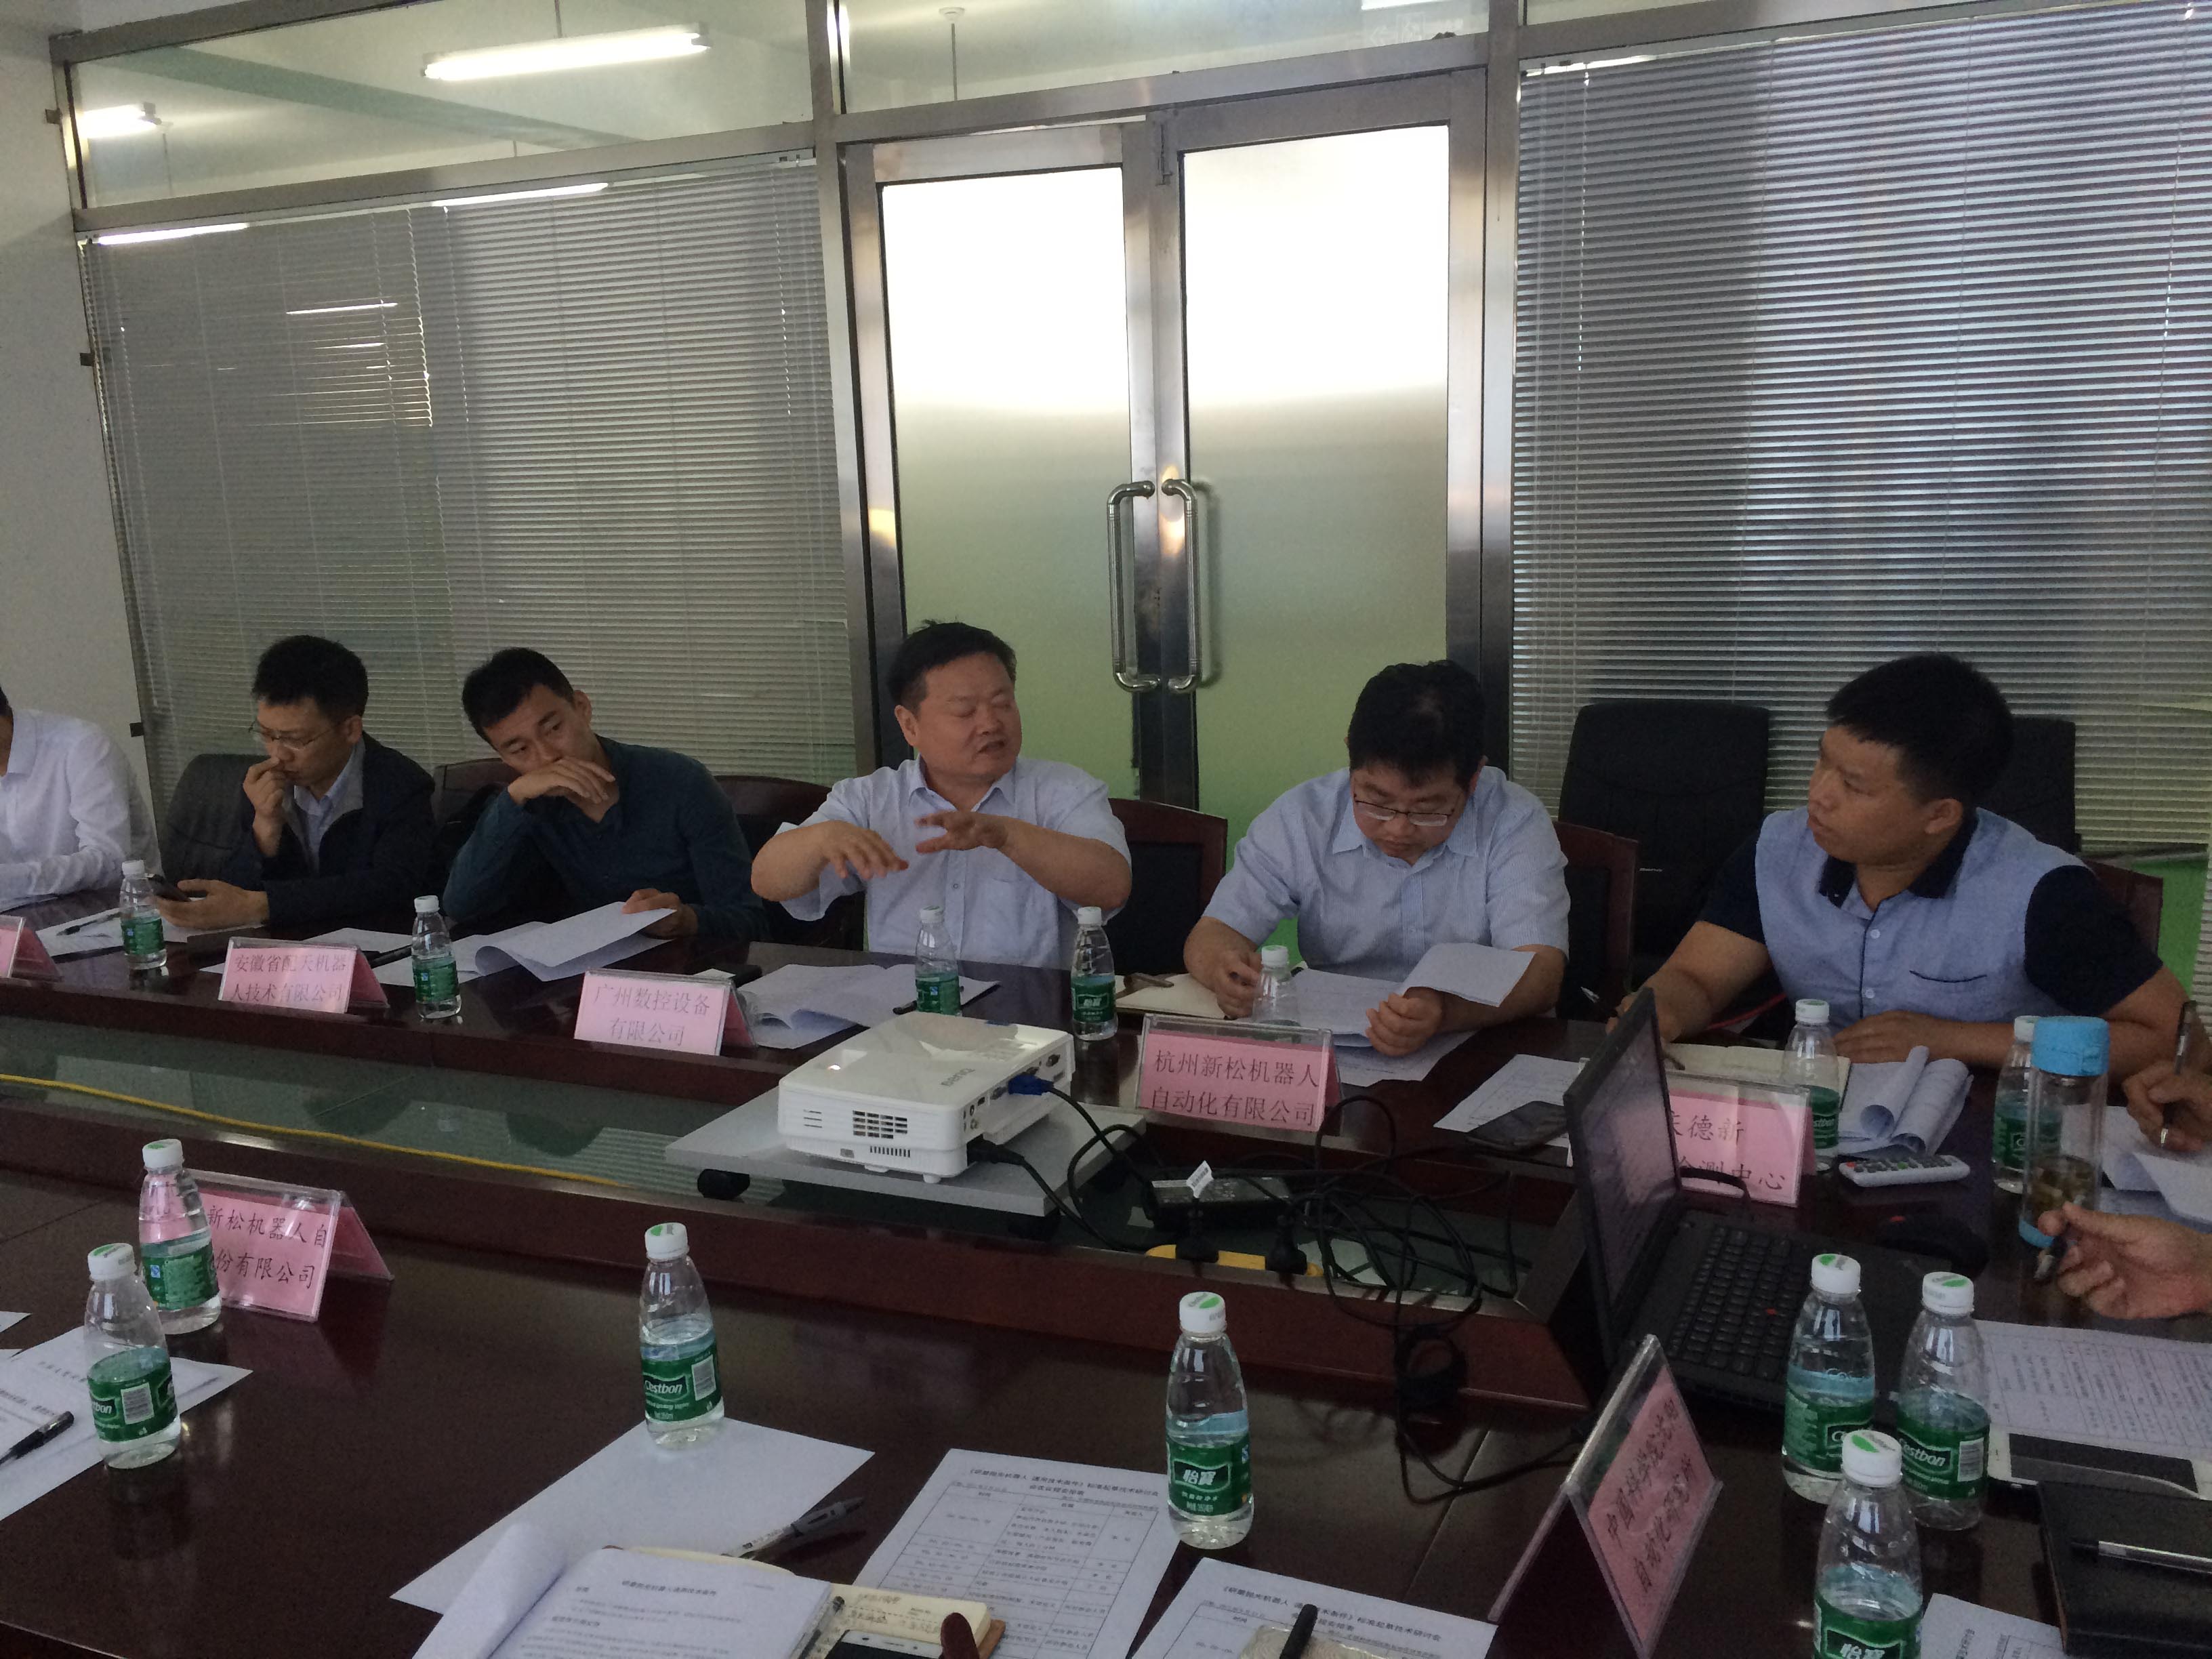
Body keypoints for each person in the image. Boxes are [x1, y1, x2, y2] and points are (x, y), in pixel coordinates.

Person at [1633, 655, 2185, 1077]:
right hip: (1822, 1109)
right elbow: (1698, 977)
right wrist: (1665, 1008)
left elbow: (2170, 1038)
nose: (1818, 796)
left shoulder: (2040, 893)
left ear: (1939, 815)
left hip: (1988, 1123)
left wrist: (1948, 1039)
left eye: (1854, 786)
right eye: (1823, 761)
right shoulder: (1779, 848)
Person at [1184, 661, 1569, 1057]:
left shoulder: (1514, 820)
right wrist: (1224, 971)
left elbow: (1540, 972)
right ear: (1351, 755)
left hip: (1480, 1048)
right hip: (1337, 1051)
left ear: (1473, 779)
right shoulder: (1303, 818)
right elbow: (1214, 933)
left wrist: (1445, 1011)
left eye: (1428, 809)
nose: (1398, 829)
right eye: (1376, 802)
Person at [751, 621, 1130, 970]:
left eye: (1003, 704)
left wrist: (1006, 836)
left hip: (1027, 1010)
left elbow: (1112, 887)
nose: (991, 723)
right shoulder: (870, 798)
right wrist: (821, 838)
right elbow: (767, 881)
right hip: (903, 1006)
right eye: (965, 711)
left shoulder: (1064, 790)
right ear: (909, 725)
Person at [442, 649, 766, 940]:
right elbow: (461, 905)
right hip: (580, 975)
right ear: (503, 758)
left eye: (554, 729)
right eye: (520, 750)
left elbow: (750, 920)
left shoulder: (680, 781)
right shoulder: (527, 806)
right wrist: (514, 797)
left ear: (582, 707)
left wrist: (687, 920)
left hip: (688, 970)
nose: (547, 757)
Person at [153, 636, 436, 933]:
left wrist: (267, 905)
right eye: (267, 734)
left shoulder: (401, 786)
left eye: (295, 740)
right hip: (284, 950)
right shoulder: (264, 785)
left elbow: (389, 888)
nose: (278, 755)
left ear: (350, 730)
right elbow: (237, 896)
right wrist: (263, 828)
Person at [0, 678, 155, 905]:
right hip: (19, 910)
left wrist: (10, 880)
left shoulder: (83, 746)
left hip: (116, 908)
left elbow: (109, 862)